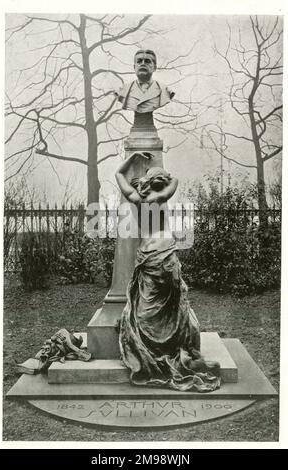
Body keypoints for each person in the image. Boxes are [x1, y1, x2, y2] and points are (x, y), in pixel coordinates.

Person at [115, 152, 220, 392]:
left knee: (150, 307)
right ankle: (182, 348)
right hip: (165, 254)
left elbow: (118, 174)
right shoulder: (161, 196)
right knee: (175, 302)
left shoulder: (136, 198)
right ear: (159, 182)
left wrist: (132, 157)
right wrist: (159, 171)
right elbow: (175, 182)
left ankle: (154, 347)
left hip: (147, 254)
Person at [115, 49, 174, 114]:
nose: (143, 64)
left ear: (154, 67)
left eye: (147, 61)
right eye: (139, 61)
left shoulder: (164, 90)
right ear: (134, 67)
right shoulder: (123, 90)